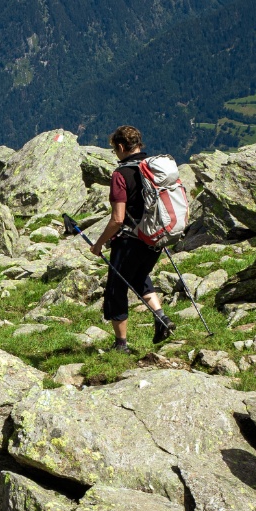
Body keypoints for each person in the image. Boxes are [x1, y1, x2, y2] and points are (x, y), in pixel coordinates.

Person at [91, 125, 175, 352]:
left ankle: (121, 345)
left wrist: (99, 244)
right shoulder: (152, 168)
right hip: (156, 238)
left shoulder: (121, 175)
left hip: (130, 241)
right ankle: (161, 318)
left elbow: (118, 219)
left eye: (114, 149)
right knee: (139, 277)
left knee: (116, 289)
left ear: (120, 147)